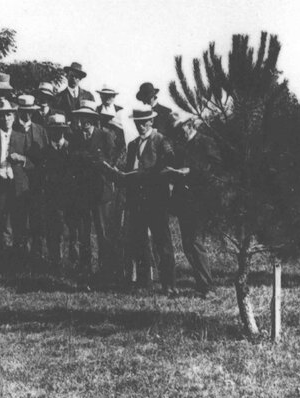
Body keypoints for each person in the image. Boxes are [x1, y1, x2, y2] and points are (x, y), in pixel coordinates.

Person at [111, 106, 177, 295]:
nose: (141, 126)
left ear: (151, 122)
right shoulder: (132, 144)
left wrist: (151, 176)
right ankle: (143, 283)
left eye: (144, 122)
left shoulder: (161, 141)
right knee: (139, 242)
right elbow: (128, 168)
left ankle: (169, 285)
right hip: (137, 200)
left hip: (156, 200)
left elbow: (169, 166)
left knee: (162, 243)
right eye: (137, 123)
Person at [70, 101, 122, 281]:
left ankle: (105, 269)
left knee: (102, 232)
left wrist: (99, 163)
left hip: (101, 191)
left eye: (87, 119)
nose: (83, 122)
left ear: (93, 119)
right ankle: (85, 268)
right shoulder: (75, 137)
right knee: (83, 232)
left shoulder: (105, 136)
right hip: (83, 192)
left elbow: (112, 160)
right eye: (80, 118)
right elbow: (73, 159)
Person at [171, 115, 218, 296]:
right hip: (184, 201)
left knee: (196, 242)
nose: (178, 132)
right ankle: (201, 284)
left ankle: (208, 286)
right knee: (187, 244)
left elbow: (215, 169)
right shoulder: (182, 146)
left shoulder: (205, 142)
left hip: (200, 200)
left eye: (180, 128)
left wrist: (192, 171)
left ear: (189, 126)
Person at [0, 97, 33, 264]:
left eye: (8, 115)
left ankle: (20, 259)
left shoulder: (22, 137)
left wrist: (22, 159)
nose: (5, 119)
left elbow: (33, 162)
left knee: (19, 221)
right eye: (2, 116)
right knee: (0, 221)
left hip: (18, 185)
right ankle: (1, 259)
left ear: (13, 116)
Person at [15, 94, 50, 261]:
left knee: (37, 217)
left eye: (30, 111)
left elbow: (44, 157)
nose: (27, 115)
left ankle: (37, 254)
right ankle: (20, 254)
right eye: (24, 111)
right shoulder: (13, 129)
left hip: (37, 181)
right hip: (18, 179)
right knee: (19, 217)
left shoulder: (40, 130)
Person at [41, 113, 76, 273]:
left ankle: (73, 262)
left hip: (69, 196)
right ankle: (56, 262)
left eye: (60, 129)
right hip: (52, 197)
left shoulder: (71, 149)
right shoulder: (45, 151)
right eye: (54, 130)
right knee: (54, 230)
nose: (57, 133)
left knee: (71, 230)